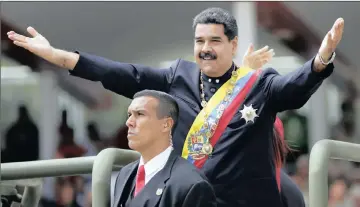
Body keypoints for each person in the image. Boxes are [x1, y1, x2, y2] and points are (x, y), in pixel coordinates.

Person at [7, 7, 344, 206]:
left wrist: (320, 60)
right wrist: (60, 57)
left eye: (215, 41)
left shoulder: (258, 84)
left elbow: (294, 89)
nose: (206, 49)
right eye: (200, 41)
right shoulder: (177, 77)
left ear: (233, 44)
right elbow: (122, 74)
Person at [113, 90, 217, 207]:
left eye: (140, 114)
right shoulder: (125, 174)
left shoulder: (191, 184)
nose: (129, 122)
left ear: (166, 124)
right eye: (129, 115)